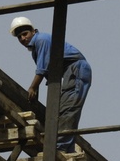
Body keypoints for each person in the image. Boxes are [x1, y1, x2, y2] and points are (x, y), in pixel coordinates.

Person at [10, 16, 92, 153]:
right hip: (70, 73)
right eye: (19, 37)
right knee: (64, 110)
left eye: (25, 34)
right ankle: (68, 149)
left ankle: (60, 148)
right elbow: (49, 74)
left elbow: (42, 70)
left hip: (75, 70)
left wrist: (32, 87)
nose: (23, 39)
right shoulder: (36, 48)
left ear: (33, 31)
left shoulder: (41, 40)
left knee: (68, 109)